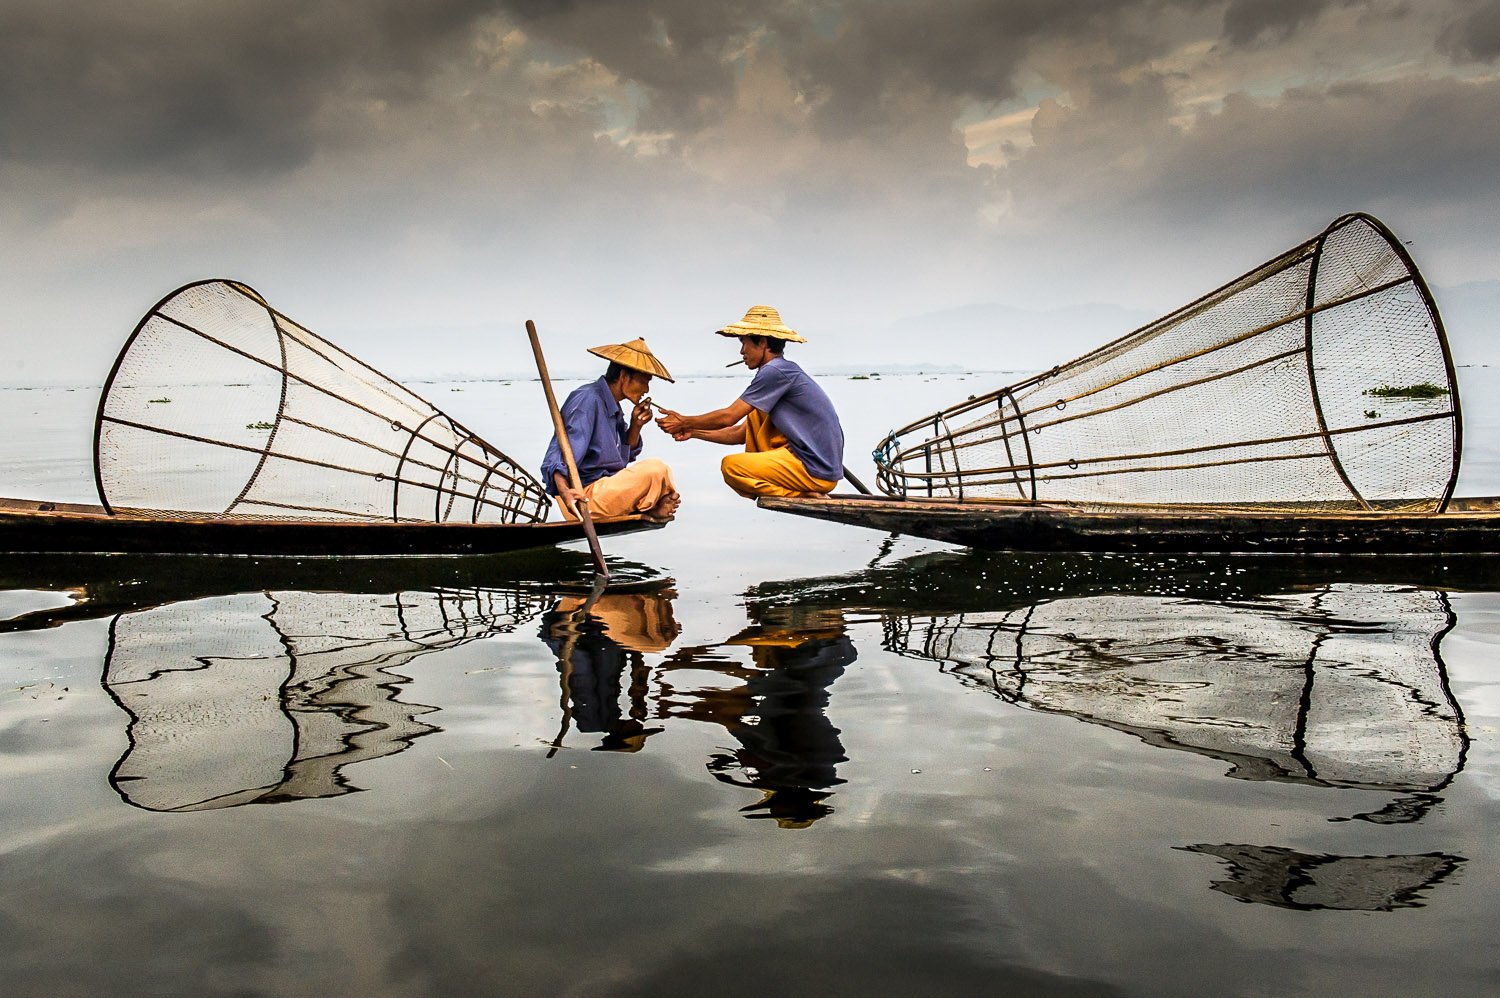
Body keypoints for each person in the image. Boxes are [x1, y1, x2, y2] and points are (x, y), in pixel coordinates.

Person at [654, 306, 844, 499]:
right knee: (748, 431)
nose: (742, 351)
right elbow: (739, 432)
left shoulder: (775, 371)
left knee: (731, 467)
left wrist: (684, 421)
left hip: (813, 470)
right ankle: (802, 491)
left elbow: (729, 417)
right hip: (810, 467)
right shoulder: (778, 375)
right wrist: (694, 432)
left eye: (744, 344)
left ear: (762, 342)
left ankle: (800, 494)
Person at [541, 337, 680, 520]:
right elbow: (559, 457)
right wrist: (566, 492)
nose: (646, 389)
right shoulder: (587, 400)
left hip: (604, 490)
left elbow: (623, 460)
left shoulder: (614, 407)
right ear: (623, 377)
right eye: (644, 381)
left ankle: (649, 507)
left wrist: (636, 426)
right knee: (656, 469)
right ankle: (649, 507)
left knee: (664, 473)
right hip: (581, 499)